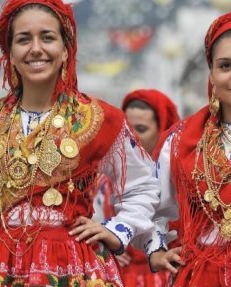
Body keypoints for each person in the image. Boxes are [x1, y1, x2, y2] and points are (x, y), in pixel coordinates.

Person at [0, 1, 162, 286]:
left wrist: (117, 230)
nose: (36, 49)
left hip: (75, 264)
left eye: (47, 37)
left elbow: (143, 186)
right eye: (24, 39)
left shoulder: (99, 119)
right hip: (0, 264)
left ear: (65, 49)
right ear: (10, 53)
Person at [148, 10, 231, 286]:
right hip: (199, 273)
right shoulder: (180, 141)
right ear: (211, 72)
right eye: (225, 66)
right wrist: (155, 249)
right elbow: (152, 204)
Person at [93, 89, 179, 287]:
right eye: (126, 128)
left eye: (140, 128)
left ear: (162, 128)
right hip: (115, 277)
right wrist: (104, 244)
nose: (130, 136)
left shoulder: (179, 181)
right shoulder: (104, 181)